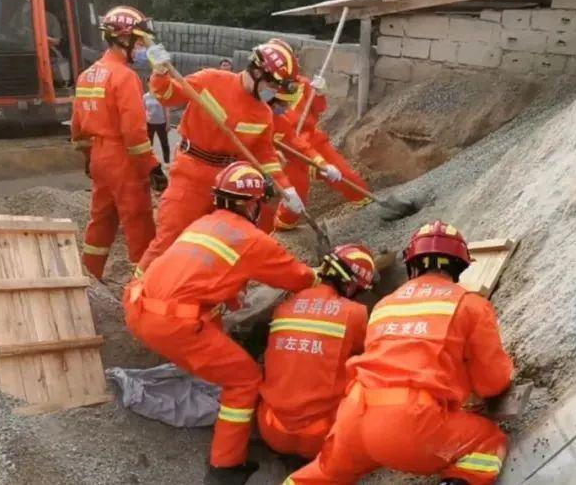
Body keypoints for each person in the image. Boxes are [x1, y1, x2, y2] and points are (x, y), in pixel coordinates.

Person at [124, 161, 318, 485]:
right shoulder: (253, 241)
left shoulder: (203, 223)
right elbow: (299, 278)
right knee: (244, 380)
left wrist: (229, 296)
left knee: (215, 328)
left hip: (138, 306)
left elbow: (198, 270)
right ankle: (225, 467)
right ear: (253, 203)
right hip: (174, 324)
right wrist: (329, 275)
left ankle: (209, 379)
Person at [286, 221, 515, 485]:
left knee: (321, 474)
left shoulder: (384, 305)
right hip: (410, 423)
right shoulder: (470, 304)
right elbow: (492, 383)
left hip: (353, 417)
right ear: (460, 266)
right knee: (487, 442)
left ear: (412, 265)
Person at [134, 42, 306, 274]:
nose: (273, 92)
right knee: (169, 240)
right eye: (273, 85)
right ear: (256, 71)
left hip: (227, 185)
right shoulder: (211, 80)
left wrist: (287, 189)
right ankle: (137, 290)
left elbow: (264, 156)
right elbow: (168, 95)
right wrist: (160, 72)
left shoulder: (263, 114)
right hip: (190, 174)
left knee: (216, 247)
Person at [70, 5, 168, 280]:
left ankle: (89, 276)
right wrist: (152, 168)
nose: (141, 48)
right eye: (138, 42)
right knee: (138, 221)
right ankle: (145, 284)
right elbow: (135, 134)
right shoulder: (125, 77)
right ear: (122, 39)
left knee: (101, 218)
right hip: (122, 158)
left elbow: (77, 126)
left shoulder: (87, 75)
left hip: (99, 157)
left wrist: (89, 157)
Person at [258, 244, 373, 462]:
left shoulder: (284, 306)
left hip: (270, 429)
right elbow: (368, 356)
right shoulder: (354, 313)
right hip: (321, 437)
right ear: (350, 286)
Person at [265, 39, 373, 231]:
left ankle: (370, 213)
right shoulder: (266, 94)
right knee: (296, 199)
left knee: (346, 175)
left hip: (312, 139)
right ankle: (282, 232)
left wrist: (321, 93)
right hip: (287, 150)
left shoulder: (304, 85)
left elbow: (319, 109)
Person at [143, 90, 171, 163]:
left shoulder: (162, 96)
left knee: (164, 143)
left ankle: (167, 162)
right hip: (149, 124)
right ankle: (149, 162)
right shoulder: (145, 97)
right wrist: (145, 119)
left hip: (161, 124)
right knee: (149, 144)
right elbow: (143, 109)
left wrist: (168, 124)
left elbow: (167, 110)